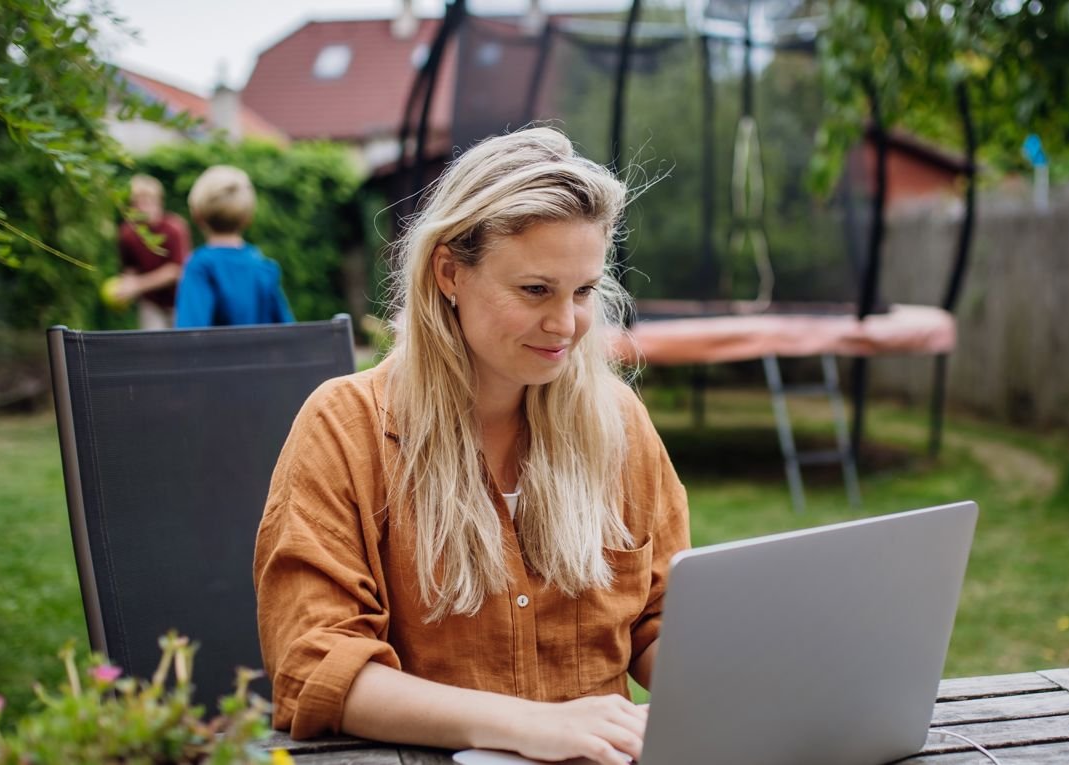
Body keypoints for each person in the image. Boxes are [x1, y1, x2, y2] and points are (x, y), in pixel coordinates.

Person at [253, 127, 690, 765]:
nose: (565, 324)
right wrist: (531, 725)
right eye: (535, 290)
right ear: (449, 273)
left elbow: (659, 618)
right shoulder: (348, 428)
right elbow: (315, 665)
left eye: (583, 292)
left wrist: (733, 678)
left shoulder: (618, 423)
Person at [174, 165, 294, 327]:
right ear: (248, 218)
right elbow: (288, 331)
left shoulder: (200, 267)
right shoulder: (263, 267)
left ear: (197, 216)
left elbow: (190, 332)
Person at [114, 174, 192, 329]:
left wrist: (138, 285)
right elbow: (130, 268)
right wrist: (125, 287)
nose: (144, 207)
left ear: (159, 202)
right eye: (138, 203)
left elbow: (176, 270)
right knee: (153, 342)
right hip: (151, 303)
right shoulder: (127, 233)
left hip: (179, 300)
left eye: (149, 201)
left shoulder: (174, 228)